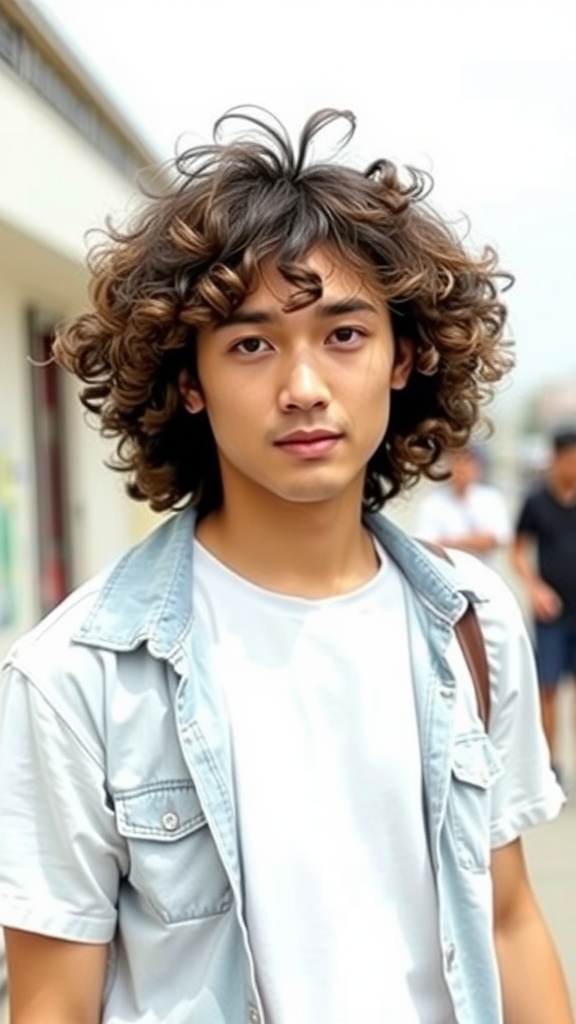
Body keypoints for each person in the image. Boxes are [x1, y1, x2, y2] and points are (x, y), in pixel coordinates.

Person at [0, 109, 572, 1024]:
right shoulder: (77, 675)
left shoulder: (471, 620)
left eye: (343, 335)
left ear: (403, 356)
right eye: (252, 344)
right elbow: (51, 1005)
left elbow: (506, 921)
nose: (303, 385)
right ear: (191, 381)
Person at [511, 426, 576, 780]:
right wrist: (535, 588)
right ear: (556, 460)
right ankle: (551, 765)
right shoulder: (536, 502)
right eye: (569, 459)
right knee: (548, 687)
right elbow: (517, 550)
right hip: (551, 611)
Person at [415, 445, 512, 561]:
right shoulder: (433, 503)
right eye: (457, 462)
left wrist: (449, 542)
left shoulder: (491, 499)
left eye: (467, 463)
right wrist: (474, 540)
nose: (462, 469)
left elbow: (495, 540)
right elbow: (429, 544)